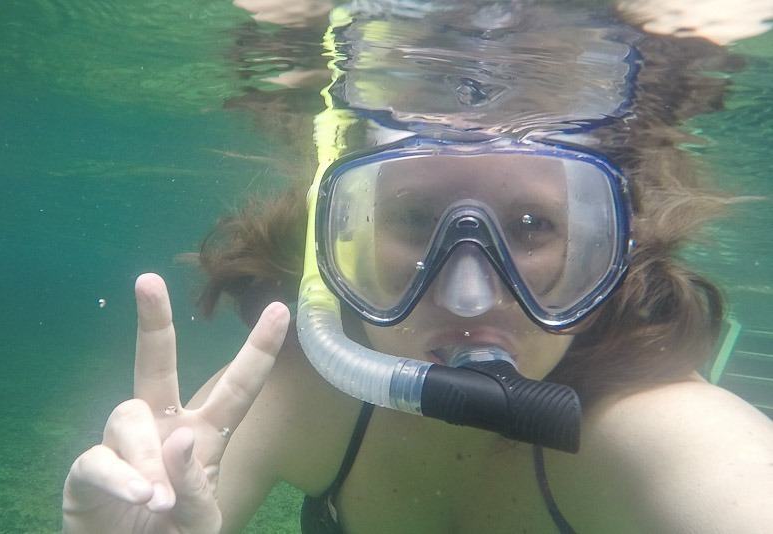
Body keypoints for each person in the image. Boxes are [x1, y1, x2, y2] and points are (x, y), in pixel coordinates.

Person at [62, 1, 773, 532]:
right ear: (343, 240)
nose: (468, 297)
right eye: (412, 220)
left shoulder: (655, 434)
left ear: (601, 249)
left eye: (530, 227)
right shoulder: (307, 397)